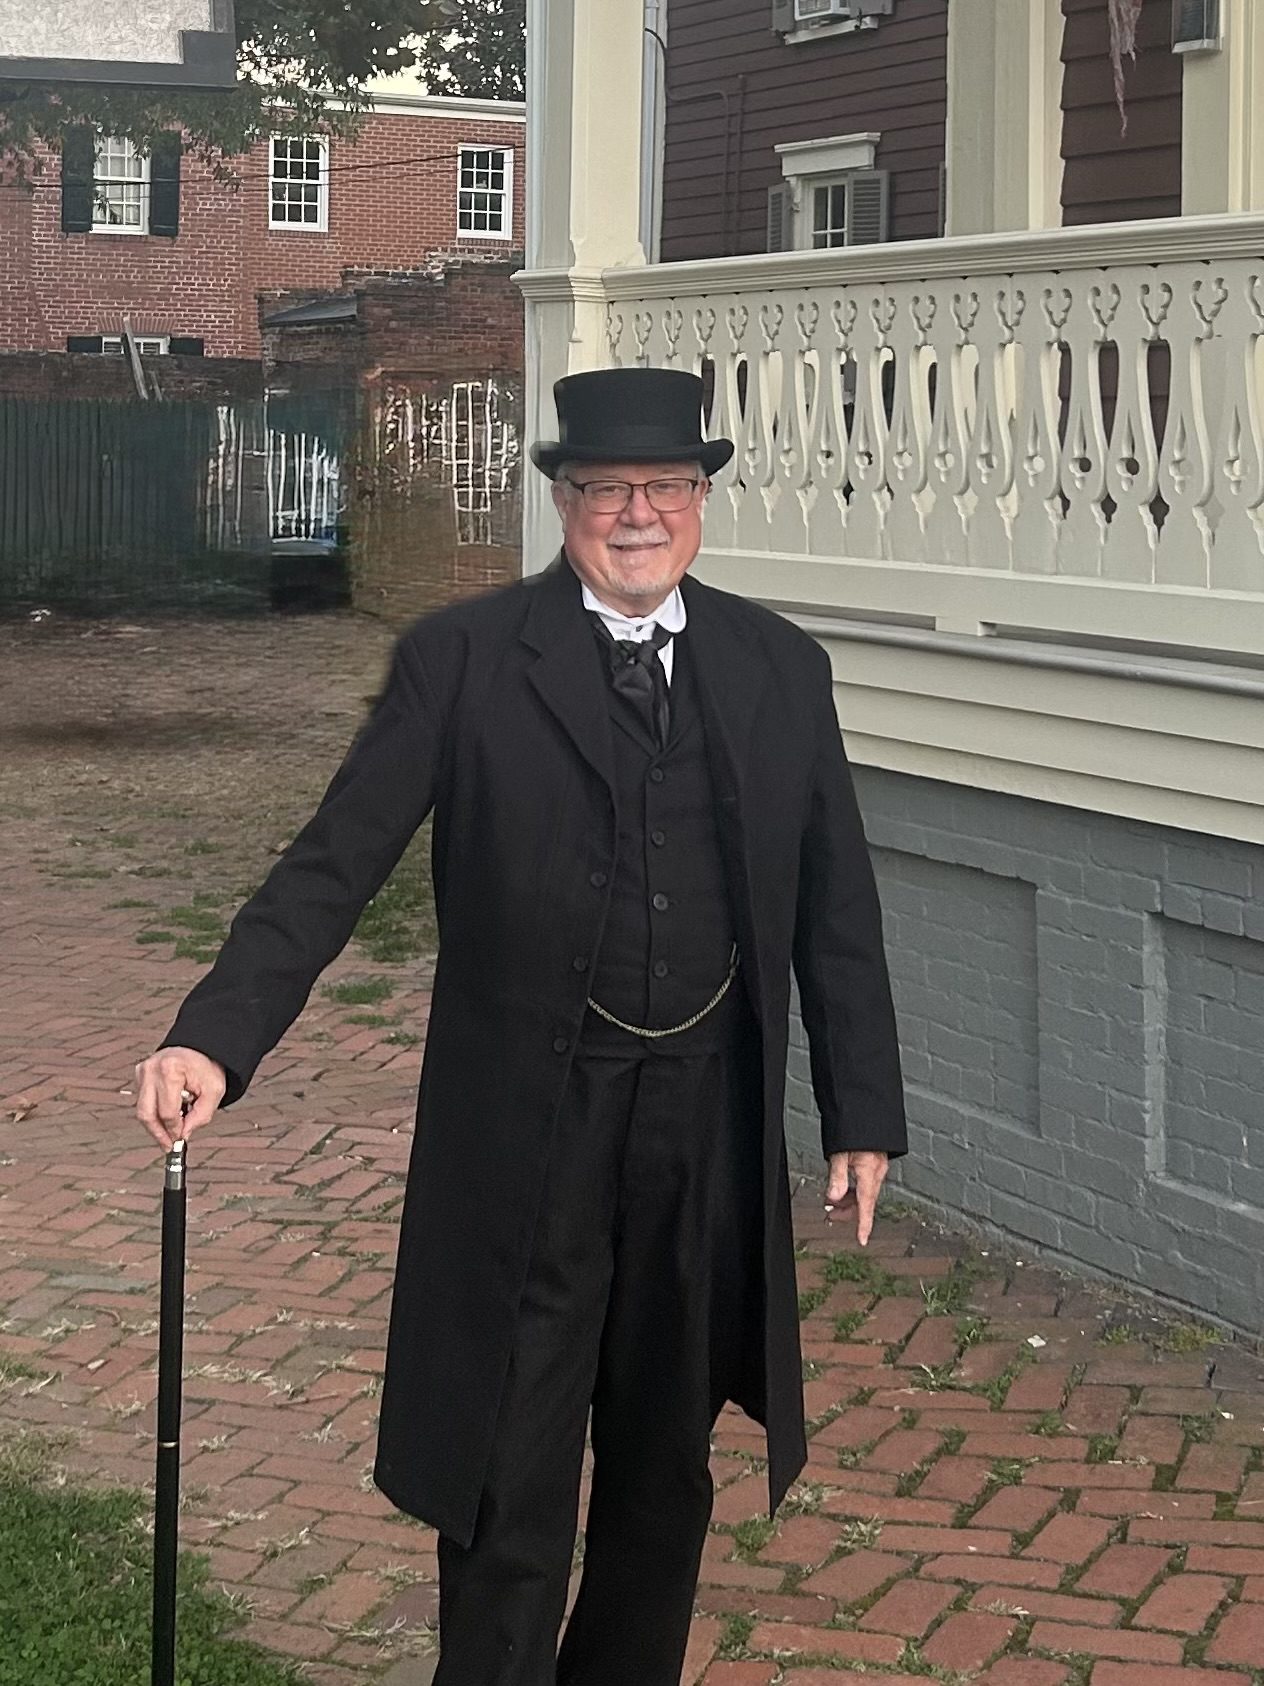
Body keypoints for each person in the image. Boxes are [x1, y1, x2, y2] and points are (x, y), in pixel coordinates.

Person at [134, 366, 906, 1686]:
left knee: (667, 1468)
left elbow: (837, 902)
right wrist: (217, 1029)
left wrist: (863, 1111)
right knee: (508, 1470)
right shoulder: (466, 662)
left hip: (702, 1131)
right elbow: (337, 859)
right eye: (608, 488)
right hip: (529, 1132)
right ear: (563, 501)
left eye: (666, 485)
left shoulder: (781, 668)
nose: (639, 512)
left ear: (703, 498)